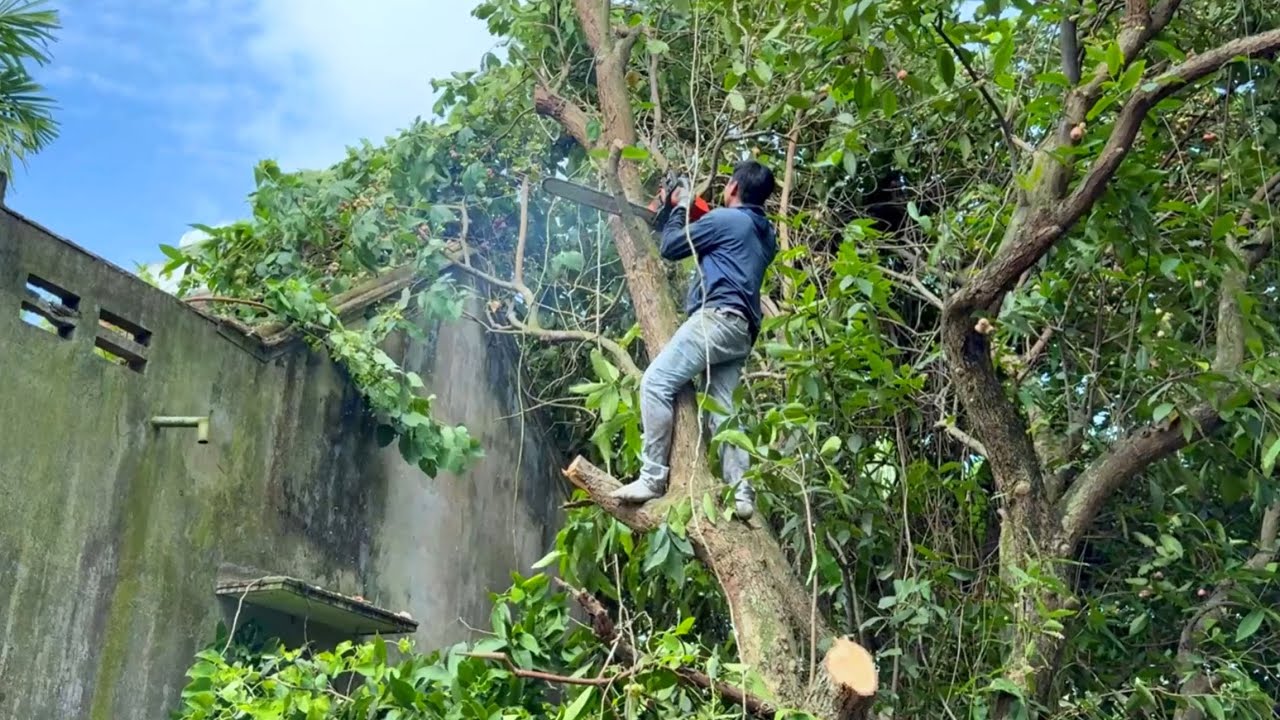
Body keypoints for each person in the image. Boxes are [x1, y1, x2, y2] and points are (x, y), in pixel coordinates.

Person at [611, 160, 778, 520]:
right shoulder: (766, 236)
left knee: (655, 383)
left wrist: (682, 205)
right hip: (743, 332)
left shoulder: (726, 220)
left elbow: (672, 247)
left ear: (733, 187)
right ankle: (742, 492)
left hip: (717, 318)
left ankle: (652, 477)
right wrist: (680, 209)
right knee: (723, 410)